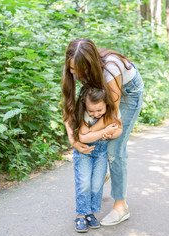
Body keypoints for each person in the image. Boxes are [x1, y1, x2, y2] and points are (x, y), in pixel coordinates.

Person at [62, 38, 144, 226]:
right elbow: (68, 108)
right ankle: (101, 173)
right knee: (93, 136)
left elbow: (114, 118)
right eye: (72, 69)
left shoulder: (111, 70)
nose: (75, 74)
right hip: (100, 94)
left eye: (79, 71)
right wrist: (73, 139)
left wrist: (84, 133)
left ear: (90, 64)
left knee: (115, 149)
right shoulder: (73, 65)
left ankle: (121, 207)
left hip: (127, 94)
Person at [71, 87, 122, 233]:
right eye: (91, 111)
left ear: (106, 103)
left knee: (97, 184)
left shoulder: (113, 112)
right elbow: (83, 137)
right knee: (84, 183)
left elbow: (119, 128)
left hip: (100, 153)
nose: (95, 114)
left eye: (99, 110)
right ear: (85, 106)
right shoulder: (83, 114)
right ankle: (81, 214)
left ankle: (90, 213)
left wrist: (112, 135)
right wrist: (105, 131)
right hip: (84, 153)